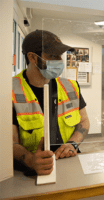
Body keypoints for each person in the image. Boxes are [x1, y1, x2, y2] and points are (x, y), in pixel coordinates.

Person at [12, 30, 90, 175]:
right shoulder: (10, 91)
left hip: (69, 164)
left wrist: (73, 143)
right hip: (32, 171)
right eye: (52, 55)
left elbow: (84, 121)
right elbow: (10, 142)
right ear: (32, 57)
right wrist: (30, 159)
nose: (59, 60)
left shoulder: (71, 86)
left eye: (60, 55)